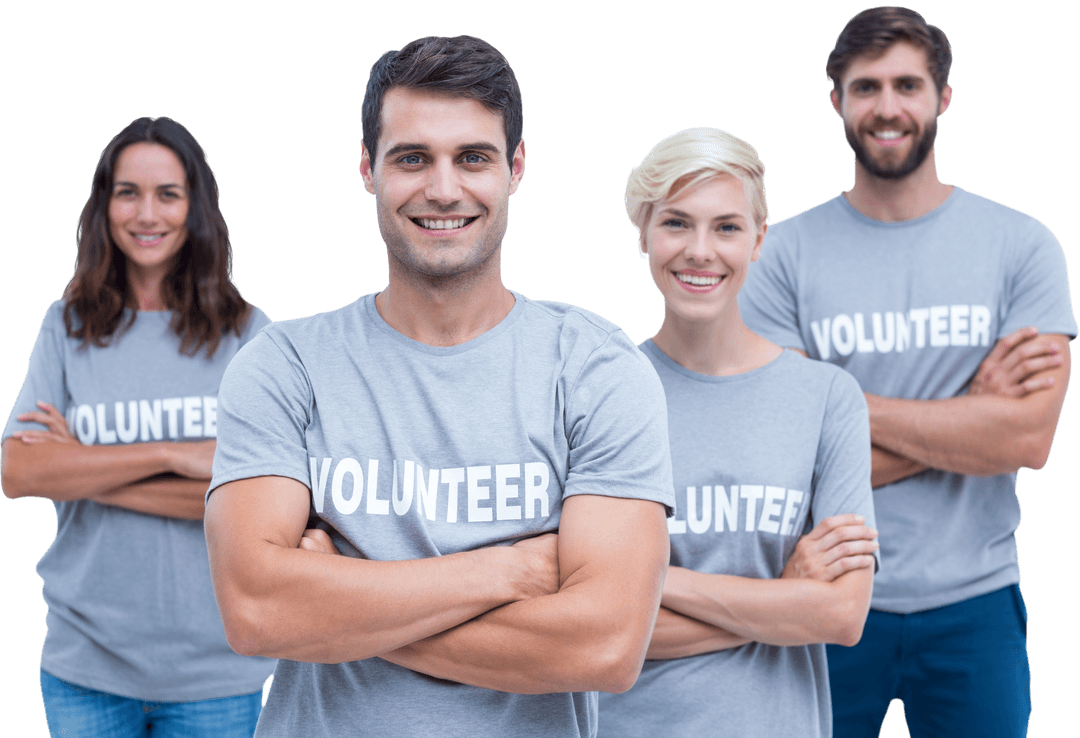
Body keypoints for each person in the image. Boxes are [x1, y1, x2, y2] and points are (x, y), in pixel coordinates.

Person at [202, 35, 675, 738]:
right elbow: (257, 612)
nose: (444, 189)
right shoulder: (284, 366)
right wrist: (507, 572)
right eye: (412, 158)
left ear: (516, 167)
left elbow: (603, 647)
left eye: (473, 157)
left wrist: (338, 605)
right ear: (368, 169)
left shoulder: (595, 370)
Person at [739, 7, 1076, 737]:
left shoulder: (1023, 246)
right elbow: (783, 457)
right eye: (866, 87)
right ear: (837, 100)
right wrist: (970, 411)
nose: (886, 107)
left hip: (976, 605)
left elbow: (1027, 439)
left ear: (942, 96)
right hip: (825, 594)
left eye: (907, 85)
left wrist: (835, 412)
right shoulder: (778, 255)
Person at [593, 127, 878, 737]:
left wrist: (655, 584)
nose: (700, 251)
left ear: (758, 240)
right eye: (676, 223)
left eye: (726, 227)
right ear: (643, 235)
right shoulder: (598, 394)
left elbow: (841, 613)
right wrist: (784, 596)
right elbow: (590, 628)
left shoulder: (827, 398)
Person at [0, 116, 274, 736]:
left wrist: (81, 467)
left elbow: (260, 503)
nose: (146, 214)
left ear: (195, 206)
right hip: (85, 665)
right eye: (128, 193)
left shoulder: (248, 334)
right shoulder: (66, 326)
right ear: (105, 205)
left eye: (167, 194)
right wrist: (178, 456)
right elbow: (19, 470)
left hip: (217, 669)